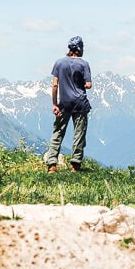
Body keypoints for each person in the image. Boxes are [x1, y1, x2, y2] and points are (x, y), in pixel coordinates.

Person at [45, 35, 92, 173]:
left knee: (58, 132)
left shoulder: (59, 63)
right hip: (80, 103)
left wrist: (55, 104)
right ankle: (75, 165)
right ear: (78, 48)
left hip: (64, 103)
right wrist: (80, 83)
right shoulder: (84, 64)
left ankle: (52, 164)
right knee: (79, 133)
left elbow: (54, 86)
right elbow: (88, 84)